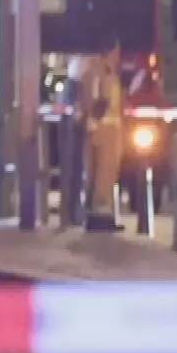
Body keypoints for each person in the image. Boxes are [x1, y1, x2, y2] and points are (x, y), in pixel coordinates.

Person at [79, 35, 125, 233]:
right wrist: (96, 120)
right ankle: (100, 217)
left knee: (97, 172)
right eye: (117, 51)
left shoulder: (91, 69)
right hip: (106, 129)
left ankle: (96, 215)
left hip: (99, 127)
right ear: (111, 51)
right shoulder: (102, 71)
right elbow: (102, 99)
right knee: (104, 172)